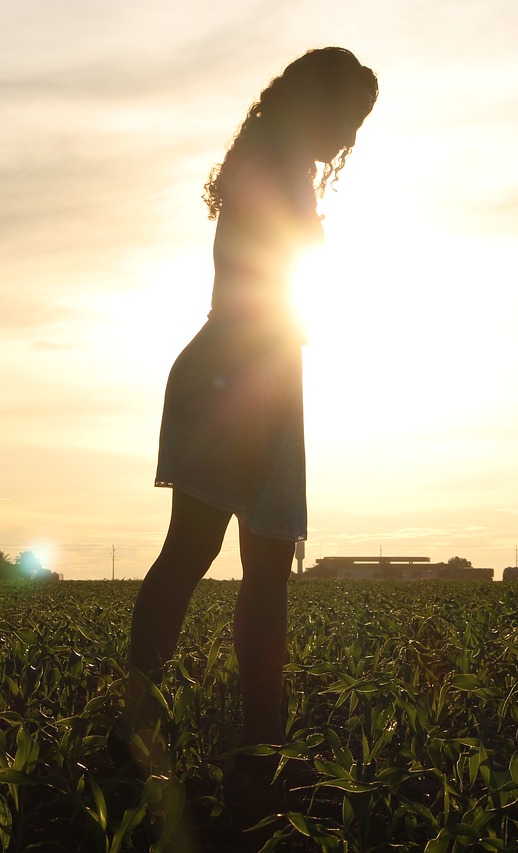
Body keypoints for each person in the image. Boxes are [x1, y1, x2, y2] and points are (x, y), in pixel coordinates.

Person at [117, 48, 378, 778]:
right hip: (242, 376)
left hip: (252, 372)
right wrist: (260, 404)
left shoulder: (275, 165)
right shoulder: (271, 170)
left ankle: (250, 741)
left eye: (361, 121)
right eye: (348, 113)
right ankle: (236, 742)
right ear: (313, 101)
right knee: (207, 560)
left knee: (242, 568)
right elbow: (256, 289)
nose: (351, 133)